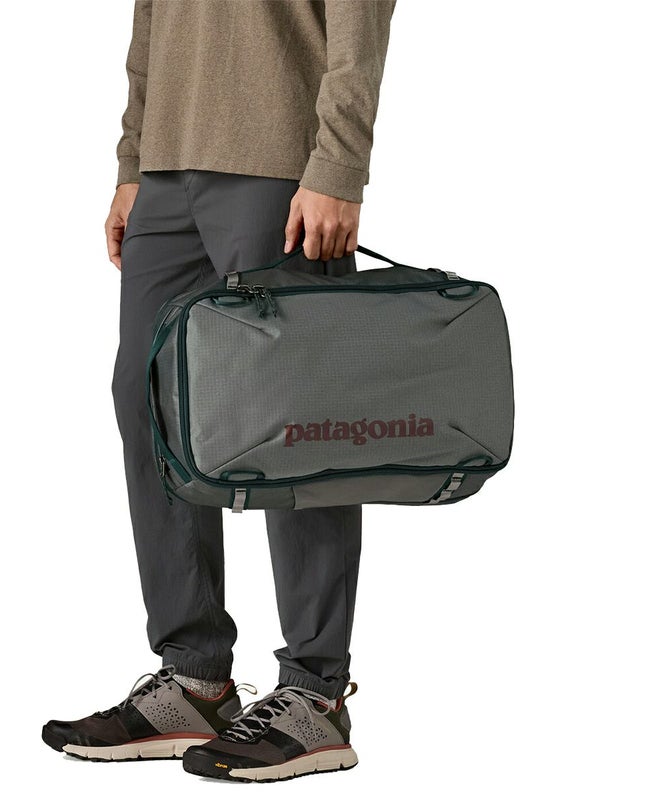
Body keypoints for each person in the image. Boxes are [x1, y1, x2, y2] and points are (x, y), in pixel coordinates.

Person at [43, 0, 397, 782]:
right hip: (167, 170)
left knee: (292, 417)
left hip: (280, 161)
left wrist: (339, 166)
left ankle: (315, 695)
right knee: (149, 398)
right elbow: (152, 23)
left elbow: (360, 21)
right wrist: (134, 162)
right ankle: (195, 679)